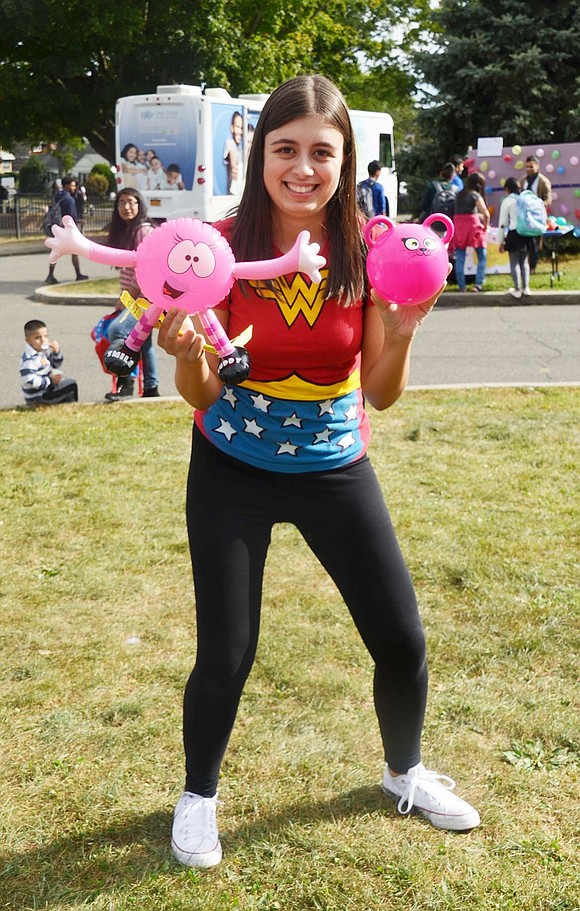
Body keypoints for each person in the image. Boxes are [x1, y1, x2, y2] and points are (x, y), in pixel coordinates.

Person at [158, 74, 480, 871]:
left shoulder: (373, 248)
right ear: (259, 154)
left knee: (401, 638)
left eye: (322, 152)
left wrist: (401, 334)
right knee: (227, 648)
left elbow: (379, 390)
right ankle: (198, 796)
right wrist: (190, 356)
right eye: (286, 149)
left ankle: (403, 771)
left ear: (346, 159)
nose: (303, 167)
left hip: (337, 463)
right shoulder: (222, 247)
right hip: (232, 463)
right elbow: (201, 391)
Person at [103, 188, 160, 400]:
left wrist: (126, 298)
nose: (126, 207)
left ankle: (125, 386)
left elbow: (143, 271)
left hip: (143, 300)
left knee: (117, 330)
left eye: (130, 202)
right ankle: (152, 389)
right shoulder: (130, 231)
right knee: (144, 343)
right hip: (142, 299)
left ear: (139, 205)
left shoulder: (143, 231)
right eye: (121, 203)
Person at [20, 319, 78, 406]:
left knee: (68, 382)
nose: (43, 340)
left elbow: (56, 364)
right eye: (37, 338)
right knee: (71, 385)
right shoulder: (30, 359)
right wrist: (50, 380)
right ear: (28, 340)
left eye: (45, 336)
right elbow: (30, 381)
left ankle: (64, 405)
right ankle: (70, 406)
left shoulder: (42, 351)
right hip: (37, 397)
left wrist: (56, 352)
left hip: (46, 389)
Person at [45, 176, 89, 284]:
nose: (74, 187)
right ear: (66, 185)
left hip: (56, 227)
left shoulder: (57, 195)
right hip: (67, 229)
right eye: (72, 185)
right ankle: (77, 274)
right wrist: (78, 221)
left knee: (57, 251)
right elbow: (71, 217)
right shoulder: (69, 200)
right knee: (74, 251)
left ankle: (51, 275)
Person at [452, 171, 490, 292]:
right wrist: (485, 226)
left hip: (458, 224)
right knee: (482, 255)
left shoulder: (459, 194)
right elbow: (486, 213)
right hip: (473, 225)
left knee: (460, 257)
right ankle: (478, 284)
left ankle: (461, 286)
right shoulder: (475, 195)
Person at [497, 177, 531, 299]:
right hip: (527, 234)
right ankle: (526, 288)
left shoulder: (508, 201)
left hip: (514, 234)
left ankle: (517, 289)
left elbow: (503, 223)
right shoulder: (525, 199)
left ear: (507, 189)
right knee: (524, 262)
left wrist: (500, 241)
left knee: (514, 262)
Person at [519, 155, 552, 273]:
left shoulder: (543, 181)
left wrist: (537, 205)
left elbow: (548, 199)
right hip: (524, 217)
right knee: (524, 242)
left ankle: (532, 267)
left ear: (537, 166)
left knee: (534, 242)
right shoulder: (522, 180)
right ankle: (524, 265)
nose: (528, 169)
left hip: (537, 216)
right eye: (527, 167)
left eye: (531, 167)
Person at [224, 111, 243, 194]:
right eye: (237, 127)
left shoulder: (238, 146)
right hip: (233, 190)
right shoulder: (230, 143)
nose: (240, 131)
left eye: (242, 128)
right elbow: (234, 167)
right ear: (232, 128)